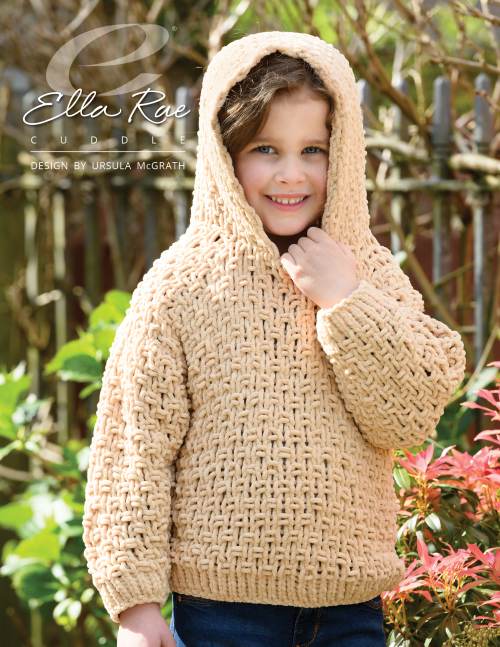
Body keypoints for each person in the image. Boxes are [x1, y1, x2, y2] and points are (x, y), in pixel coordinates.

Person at [82, 31, 467, 647]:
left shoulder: (364, 270)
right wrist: (135, 605)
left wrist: (346, 299)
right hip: (222, 613)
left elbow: (408, 418)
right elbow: (135, 449)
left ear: (343, 154)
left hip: (350, 613)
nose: (292, 174)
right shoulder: (182, 285)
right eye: (265, 149)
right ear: (224, 155)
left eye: (313, 150)